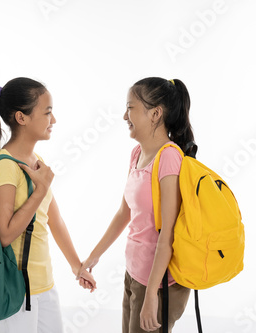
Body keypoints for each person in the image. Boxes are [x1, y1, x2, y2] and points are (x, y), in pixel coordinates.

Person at [78, 77, 196, 332]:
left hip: (160, 282)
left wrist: (152, 294)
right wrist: (93, 257)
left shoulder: (169, 158)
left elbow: (168, 233)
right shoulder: (137, 154)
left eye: (130, 107)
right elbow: (124, 213)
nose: (124, 116)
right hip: (135, 274)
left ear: (155, 114)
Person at [0, 77, 96, 333]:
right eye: (47, 112)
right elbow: (4, 235)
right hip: (16, 289)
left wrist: (77, 267)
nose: (53, 120)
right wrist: (40, 190)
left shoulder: (37, 161)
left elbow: (54, 221)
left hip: (44, 285)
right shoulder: (5, 166)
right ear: (21, 118)